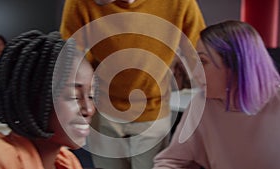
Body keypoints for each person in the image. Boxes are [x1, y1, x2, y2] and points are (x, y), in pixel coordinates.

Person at [60, 0, 205, 169]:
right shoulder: (80, 3)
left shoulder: (180, 3)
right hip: (103, 110)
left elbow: (200, 55)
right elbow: (68, 58)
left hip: (153, 111)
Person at [153, 20, 280, 169]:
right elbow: (171, 161)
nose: (195, 73)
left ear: (235, 65)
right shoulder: (201, 104)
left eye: (203, 62)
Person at [0, 30, 96, 169]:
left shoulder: (68, 162)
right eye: (74, 96)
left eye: (91, 96)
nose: (88, 109)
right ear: (34, 98)